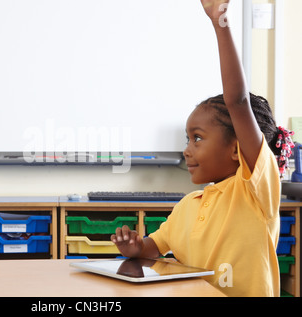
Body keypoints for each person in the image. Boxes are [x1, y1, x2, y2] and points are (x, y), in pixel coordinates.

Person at [111, 0, 294, 297]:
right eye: (187, 139)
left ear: (237, 149)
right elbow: (151, 248)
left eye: (197, 138)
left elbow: (237, 102)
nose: (186, 150)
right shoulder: (187, 206)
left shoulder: (255, 191)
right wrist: (133, 247)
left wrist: (220, 22)